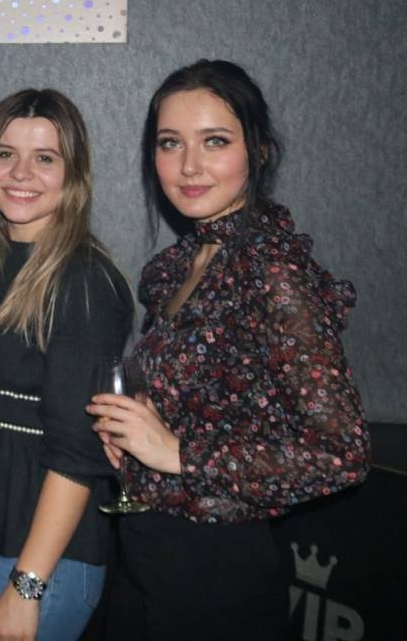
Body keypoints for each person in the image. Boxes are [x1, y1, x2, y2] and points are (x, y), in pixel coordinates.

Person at [87, 59, 370, 640]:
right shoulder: (177, 267)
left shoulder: (272, 270)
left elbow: (342, 453)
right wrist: (139, 433)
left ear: (258, 152)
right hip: (145, 553)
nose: (189, 165)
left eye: (214, 141)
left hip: (215, 571)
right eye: (171, 143)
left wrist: (179, 453)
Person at [0, 89, 133, 641]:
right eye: (6, 154)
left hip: (39, 560)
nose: (21, 173)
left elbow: (78, 454)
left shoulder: (85, 283)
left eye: (45, 158)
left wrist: (26, 586)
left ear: (74, 175)